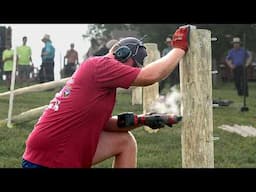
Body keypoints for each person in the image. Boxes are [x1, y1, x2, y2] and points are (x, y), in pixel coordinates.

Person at [21, 26, 190, 168]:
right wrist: (179, 48)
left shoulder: (102, 79)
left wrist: (142, 120)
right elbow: (150, 76)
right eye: (134, 66)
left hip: (56, 149)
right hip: (50, 155)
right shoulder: (101, 65)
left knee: (124, 141)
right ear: (122, 54)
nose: (133, 72)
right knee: (124, 141)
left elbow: (105, 124)